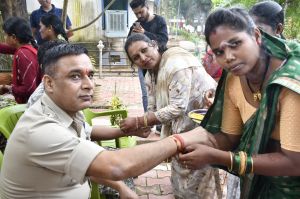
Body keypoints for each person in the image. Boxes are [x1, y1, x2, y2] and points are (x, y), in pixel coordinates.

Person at [0, 43, 209, 199]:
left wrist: (120, 187)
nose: (89, 84)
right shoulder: (41, 130)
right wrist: (180, 140)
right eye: (75, 76)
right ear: (49, 83)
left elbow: (85, 161)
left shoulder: (67, 110)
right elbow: (116, 166)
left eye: (90, 75)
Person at [179, 7, 300, 199]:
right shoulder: (234, 77)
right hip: (258, 185)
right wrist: (180, 143)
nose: (228, 57)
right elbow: (229, 137)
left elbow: (295, 163)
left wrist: (216, 157)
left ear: (256, 35)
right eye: (219, 52)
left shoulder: (290, 84)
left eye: (235, 44)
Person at [120, 33, 219, 199]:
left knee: (198, 178)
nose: (143, 58)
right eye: (136, 57)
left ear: (154, 45)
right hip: (181, 130)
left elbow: (177, 107)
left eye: (144, 50)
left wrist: (139, 121)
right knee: (181, 176)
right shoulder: (150, 74)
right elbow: (151, 105)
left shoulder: (176, 64)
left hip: (200, 128)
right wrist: (145, 125)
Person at [128, 0, 168, 113]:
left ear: (147, 7)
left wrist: (145, 33)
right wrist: (132, 36)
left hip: (159, 63)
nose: (139, 15)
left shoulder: (160, 21)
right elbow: (129, 45)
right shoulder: (135, 25)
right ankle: (147, 122)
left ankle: (161, 124)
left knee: (162, 92)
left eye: (141, 12)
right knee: (146, 93)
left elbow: (163, 41)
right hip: (143, 66)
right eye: (136, 14)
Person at [0, 17, 41, 104]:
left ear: (14, 37)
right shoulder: (27, 49)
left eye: (6, 35)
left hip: (31, 104)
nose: (4, 37)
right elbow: (5, 48)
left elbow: (29, 89)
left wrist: (10, 88)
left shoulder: (23, 54)